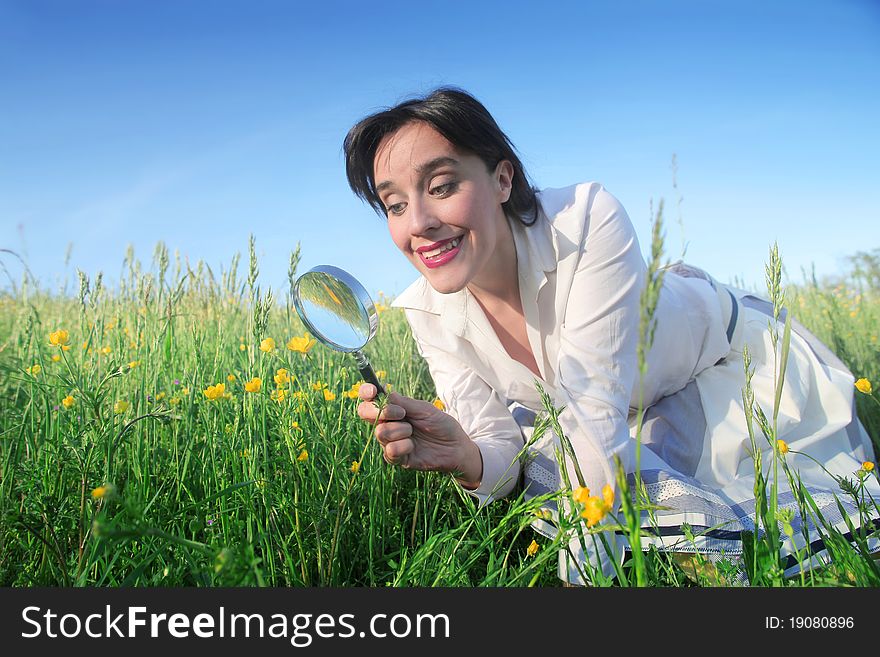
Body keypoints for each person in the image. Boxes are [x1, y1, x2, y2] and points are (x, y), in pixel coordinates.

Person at [343, 86, 879, 585]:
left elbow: (593, 421)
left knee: (773, 529)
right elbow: (498, 443)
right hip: (618, 405)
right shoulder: (424, 309)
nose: (418, 223)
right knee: (557, 465)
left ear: (502, 180)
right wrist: (469, 456)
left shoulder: (585, 220)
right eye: (393, 205)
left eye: (441, 187)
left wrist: (584, 573)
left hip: (721, 357)